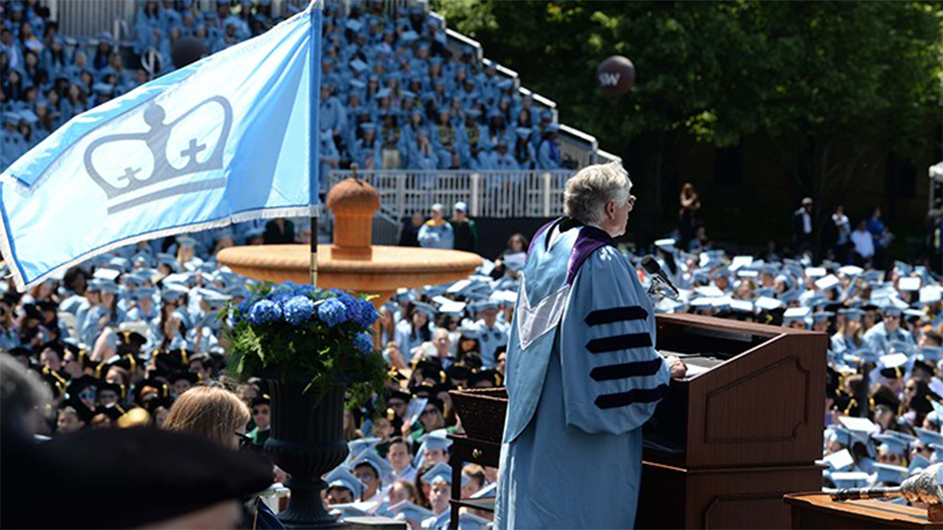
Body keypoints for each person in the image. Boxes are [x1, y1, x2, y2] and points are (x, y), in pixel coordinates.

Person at [495, 162, 685, 529]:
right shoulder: (601, 260)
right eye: (629, 200)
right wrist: (661, 370)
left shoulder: (547, 244)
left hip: (537, 414)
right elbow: (616, 366)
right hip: (576, 441)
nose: (632, 207)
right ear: (611, 209)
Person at [678, 183, 700, 251]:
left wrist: (691, 206)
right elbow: (685, 204)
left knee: (692, 232)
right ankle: (683, 248)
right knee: (684, 234)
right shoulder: (683, 196)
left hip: (691, 217)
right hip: (684, 217)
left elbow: (697, 206)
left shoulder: (694, 196)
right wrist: (691, 199)